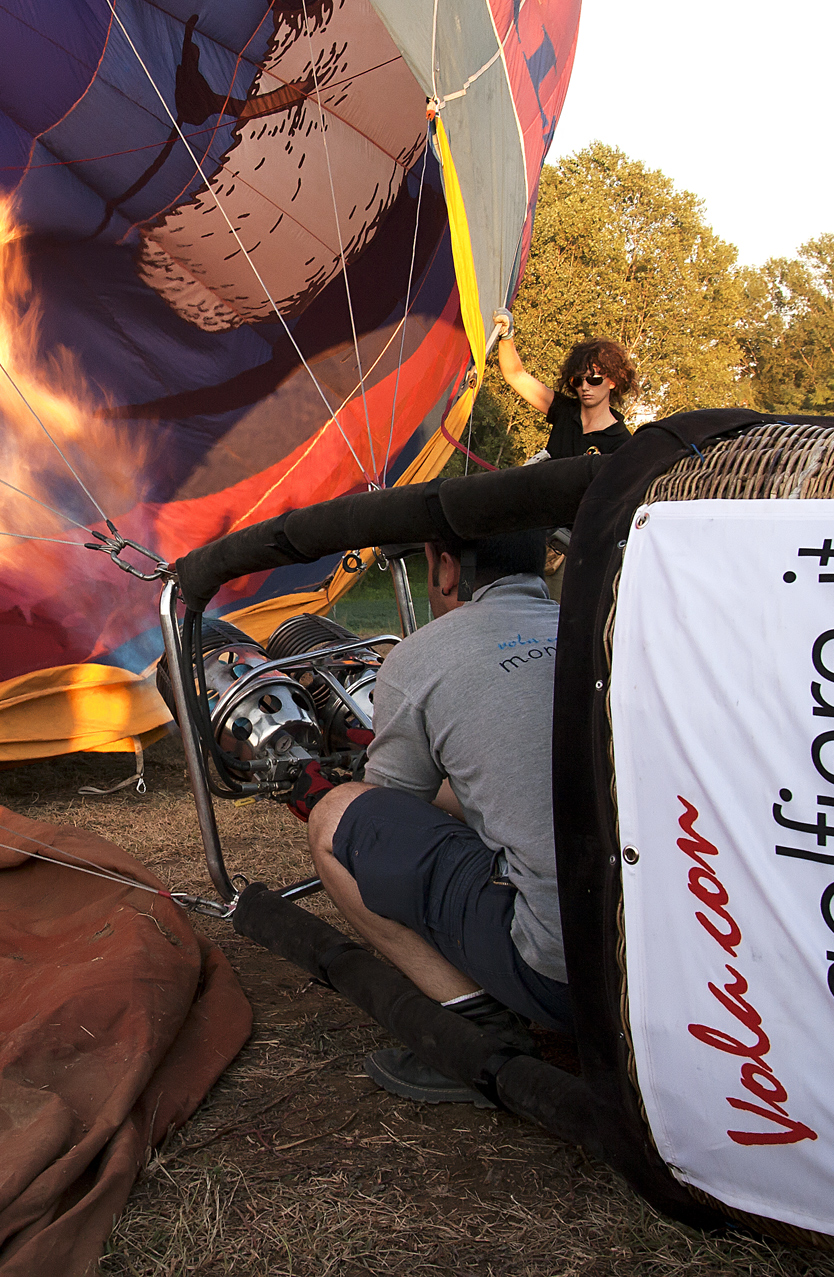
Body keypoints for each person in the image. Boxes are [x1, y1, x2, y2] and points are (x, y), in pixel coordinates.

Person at [300, 527, 568, 1104]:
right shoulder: (604, 626)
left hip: (563, 979)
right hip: (670, 961)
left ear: (447, 569)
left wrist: (335, 780)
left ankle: (478, 1034)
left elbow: (389, 806)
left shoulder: (424, 654)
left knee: (336, 817)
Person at [491, 314, 636, 459]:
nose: (585, 387)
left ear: (613, 382)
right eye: (577, 380)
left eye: (594, 380)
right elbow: (515, 375)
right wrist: (506, 336)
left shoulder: (622, 444)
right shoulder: (565, 411)